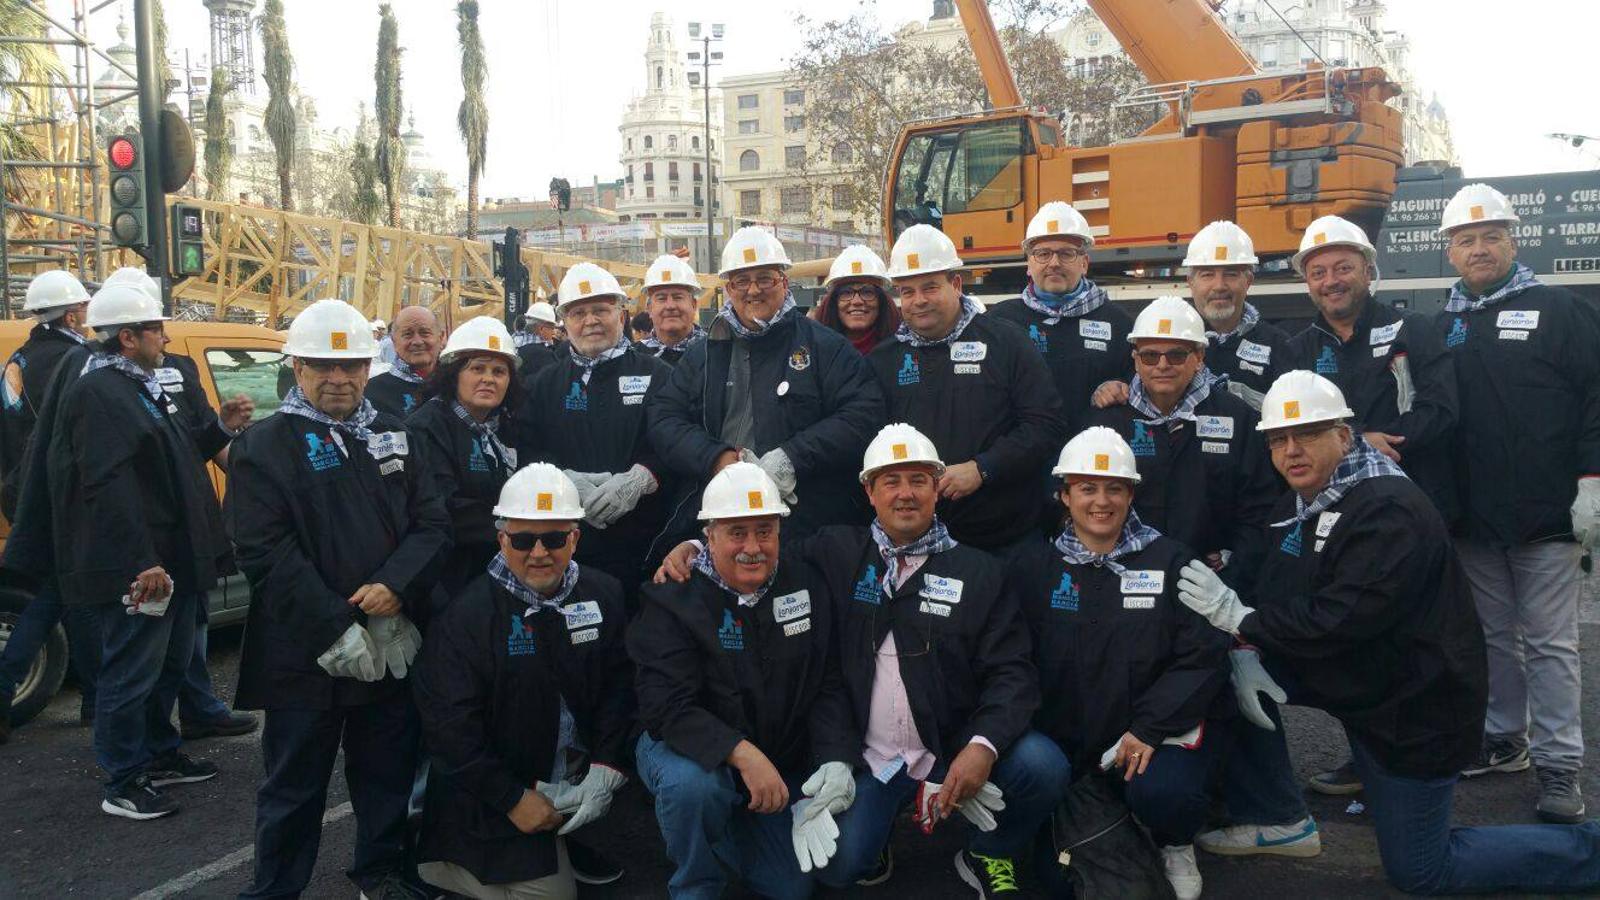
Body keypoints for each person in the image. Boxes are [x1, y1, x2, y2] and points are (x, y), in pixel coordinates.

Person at [1179, 370, 1600, 895]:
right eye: (1278, 439)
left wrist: (1242, 621)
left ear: (1344, 435)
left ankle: (1591, 852)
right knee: (1213, 668)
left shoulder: (1387, 510)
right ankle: (1280, 818)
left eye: (1307, 434)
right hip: (1363, 686)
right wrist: (1237, 634)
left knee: (1422, 870)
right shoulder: (1309, 496)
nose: (1291, 450)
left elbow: (1338, 620)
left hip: (1415, 713)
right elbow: (1270, 572)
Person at [228, 298, 450, 898]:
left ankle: (379, 874)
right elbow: (265, 552)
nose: (338, 378)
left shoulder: (394, 433)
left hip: (389, 641)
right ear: (296, 368)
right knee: (293, 786)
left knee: (386, 775)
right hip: (307, 653)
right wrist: (337, 624)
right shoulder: (265, 446)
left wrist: (394, 587)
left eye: (350, 365)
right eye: (322, 366)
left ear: (367, 367)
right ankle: (274, 890)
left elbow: (432, 523)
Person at [799, 423, 1063, 895]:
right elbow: (758, 560)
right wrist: (694, 547)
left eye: (918, 480)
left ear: (937, 488)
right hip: (872, 758)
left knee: (1043, 766)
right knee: (839, 869)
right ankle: (878, 832)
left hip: (950, 748)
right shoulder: (836, 552)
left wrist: (982, 747)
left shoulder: (981, 573)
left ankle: (989, 850)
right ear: (868, 491)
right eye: (891, 481)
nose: (906, 494)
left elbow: (1013, 674)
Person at [51, 284, 249, 819]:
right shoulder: (99, 393)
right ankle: (123, 777)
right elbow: (106, 484)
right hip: (145, 564)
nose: (165, 337)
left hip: (174, 553)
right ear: (128, 337)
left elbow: (180, 447)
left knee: (169, 661)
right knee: (131, 668)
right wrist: (141, 560)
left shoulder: (135, 385)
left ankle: (159, 753)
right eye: (156, 329)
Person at [1435, 182, 1600, 822]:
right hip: (1474, 518)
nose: (1478, 249)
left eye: (1490, 236)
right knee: (1492, 638)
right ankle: (1505, 739)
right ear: (1449, 251)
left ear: (1513, 239)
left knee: (1553, 644)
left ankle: (1561, 767)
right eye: (1466, 240)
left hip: (1546, 515)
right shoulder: (1443, 323)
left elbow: (1595, 394)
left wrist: (1593, 478)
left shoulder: (1559, 311)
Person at [1014, 427, 1232, 900]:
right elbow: (1014, 663)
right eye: (1087, 488)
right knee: (1056, 880)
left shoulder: (1172, 562)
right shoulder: (1035, 570)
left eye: (1114, 488)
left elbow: (1202, 657)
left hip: (1154, 736)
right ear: (1064, 495)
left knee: (1164, 794)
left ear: (1131, 493)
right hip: (1072, 746)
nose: (1101, 501)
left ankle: (1174, 841)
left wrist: (1150, 728)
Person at [1284, 215, 1462, 794]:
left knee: (1415, 642)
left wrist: (1376, 439)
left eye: (1342, 267)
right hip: (1338, 518)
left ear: (1367, 269)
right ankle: (1366, 754)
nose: (1331, 280)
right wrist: (1357, 439)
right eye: (1318, 272)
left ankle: (1425, 760)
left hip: (1404, 513)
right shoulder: (1300, 348)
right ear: (1306, 282)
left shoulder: (1414, 330)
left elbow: (1439, 411)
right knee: (1360, 641)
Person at [628, 463, 860, 899]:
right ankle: (696, 883)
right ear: (708, 536)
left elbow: (827, 681)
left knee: (790, 888)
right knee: (693, 788)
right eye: (736, 532)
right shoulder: (671, 598)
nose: (752, 547)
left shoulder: (807, 583)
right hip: (689, 752)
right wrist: (743, 755)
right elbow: (667, 709)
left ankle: (730, 824)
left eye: (764, 531)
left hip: (772, 762)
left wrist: (836, 756)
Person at [413, 464, 635, 900]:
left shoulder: (604, 595)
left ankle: (556, 847)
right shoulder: (467, 617)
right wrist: (511, 798)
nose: (539, 553)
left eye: (554, 538)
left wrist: (607, 766)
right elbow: (448, 728)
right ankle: (433, 867)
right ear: (502, 540)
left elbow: (620, 687)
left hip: (568, 783)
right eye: (522, 539)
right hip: (489, 794)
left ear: (575, 538)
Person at [649, 226, 885, 538]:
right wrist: (716, 458)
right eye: (742, 281)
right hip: (719, 514)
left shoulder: (824, 346)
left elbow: (863, 413)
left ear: (784, 282)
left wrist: (792, 457)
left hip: (804, 520)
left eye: (764, 278)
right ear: (728, 288)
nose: (753, 290)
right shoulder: (704, 353)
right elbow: (665, 418)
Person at [868, 224, 1065, 554]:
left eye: (930, 287)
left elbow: (1045, 425)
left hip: (1003, 539)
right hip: (916, 543)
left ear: (956, 284)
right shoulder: (884, 360)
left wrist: (983, 468)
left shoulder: (1006, 342)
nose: (918, 301)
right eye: (907, 291)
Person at [1086, 296, 1278, 588]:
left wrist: (1234, 567)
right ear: (1135, 359)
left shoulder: (1237, 418)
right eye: (1150, 356)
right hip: (1124, 581)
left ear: (1199, 357)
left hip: (1213, 583)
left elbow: (1260, 506)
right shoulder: (1108, 422)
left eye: (1176, 355)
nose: (1162, 365)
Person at [517, 264, 676, 599]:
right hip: (568, 551)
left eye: (601, 310)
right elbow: (527, 446)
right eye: (578, 313)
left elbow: (673, 441)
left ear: (621, 314)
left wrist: (641, 477)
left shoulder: (658, 375)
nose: (590, 321)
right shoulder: (544, 384)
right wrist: (561, 479)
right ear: (564, 321)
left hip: (643, 545)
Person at [0, 268, 97, 741]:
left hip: (23, 495)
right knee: (67, 595)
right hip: (65, 498)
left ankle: (96, 700)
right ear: (75, 312)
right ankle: (95, 701)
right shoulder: (77, 360)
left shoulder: (17, 360)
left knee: (66, 594)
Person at [406, 315, 524, 621]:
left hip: (499, 570)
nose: (489, 378)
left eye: (499, 371)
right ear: (454, 374)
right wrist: (517, 527)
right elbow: (442, 506)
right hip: (449, 580)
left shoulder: (504, 427)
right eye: (477, 368)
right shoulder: (427, 427)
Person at [989, 202, 1132, 434]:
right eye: (1043, 254)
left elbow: (1143, 386)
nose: (1054, 263)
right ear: (1029, 264)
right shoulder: (999, 321)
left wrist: (1121, 387)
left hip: (1091, 462)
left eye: (1066, 253)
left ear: (1084, 263)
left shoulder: (1119, 324)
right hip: (1021, 463)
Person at [813, 244, 902, 355]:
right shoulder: (814, 352)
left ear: (881, 301)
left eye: (867, 292)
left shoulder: (902, 350)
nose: (856, 301)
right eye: (846, 292)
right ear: (834, 302)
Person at [366, 305, 444, 418]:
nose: (417, 341)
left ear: (440, 338)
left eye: (425, 333)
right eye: (408, 334)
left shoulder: (457, 385)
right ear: (394, 341)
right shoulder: (372, 393)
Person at [635, 254, 708, 366]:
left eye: (678, 297)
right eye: (661, 298)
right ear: (649, 309)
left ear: (693, 305)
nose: (670, 306)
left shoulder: (715, 351)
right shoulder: (633, 359)